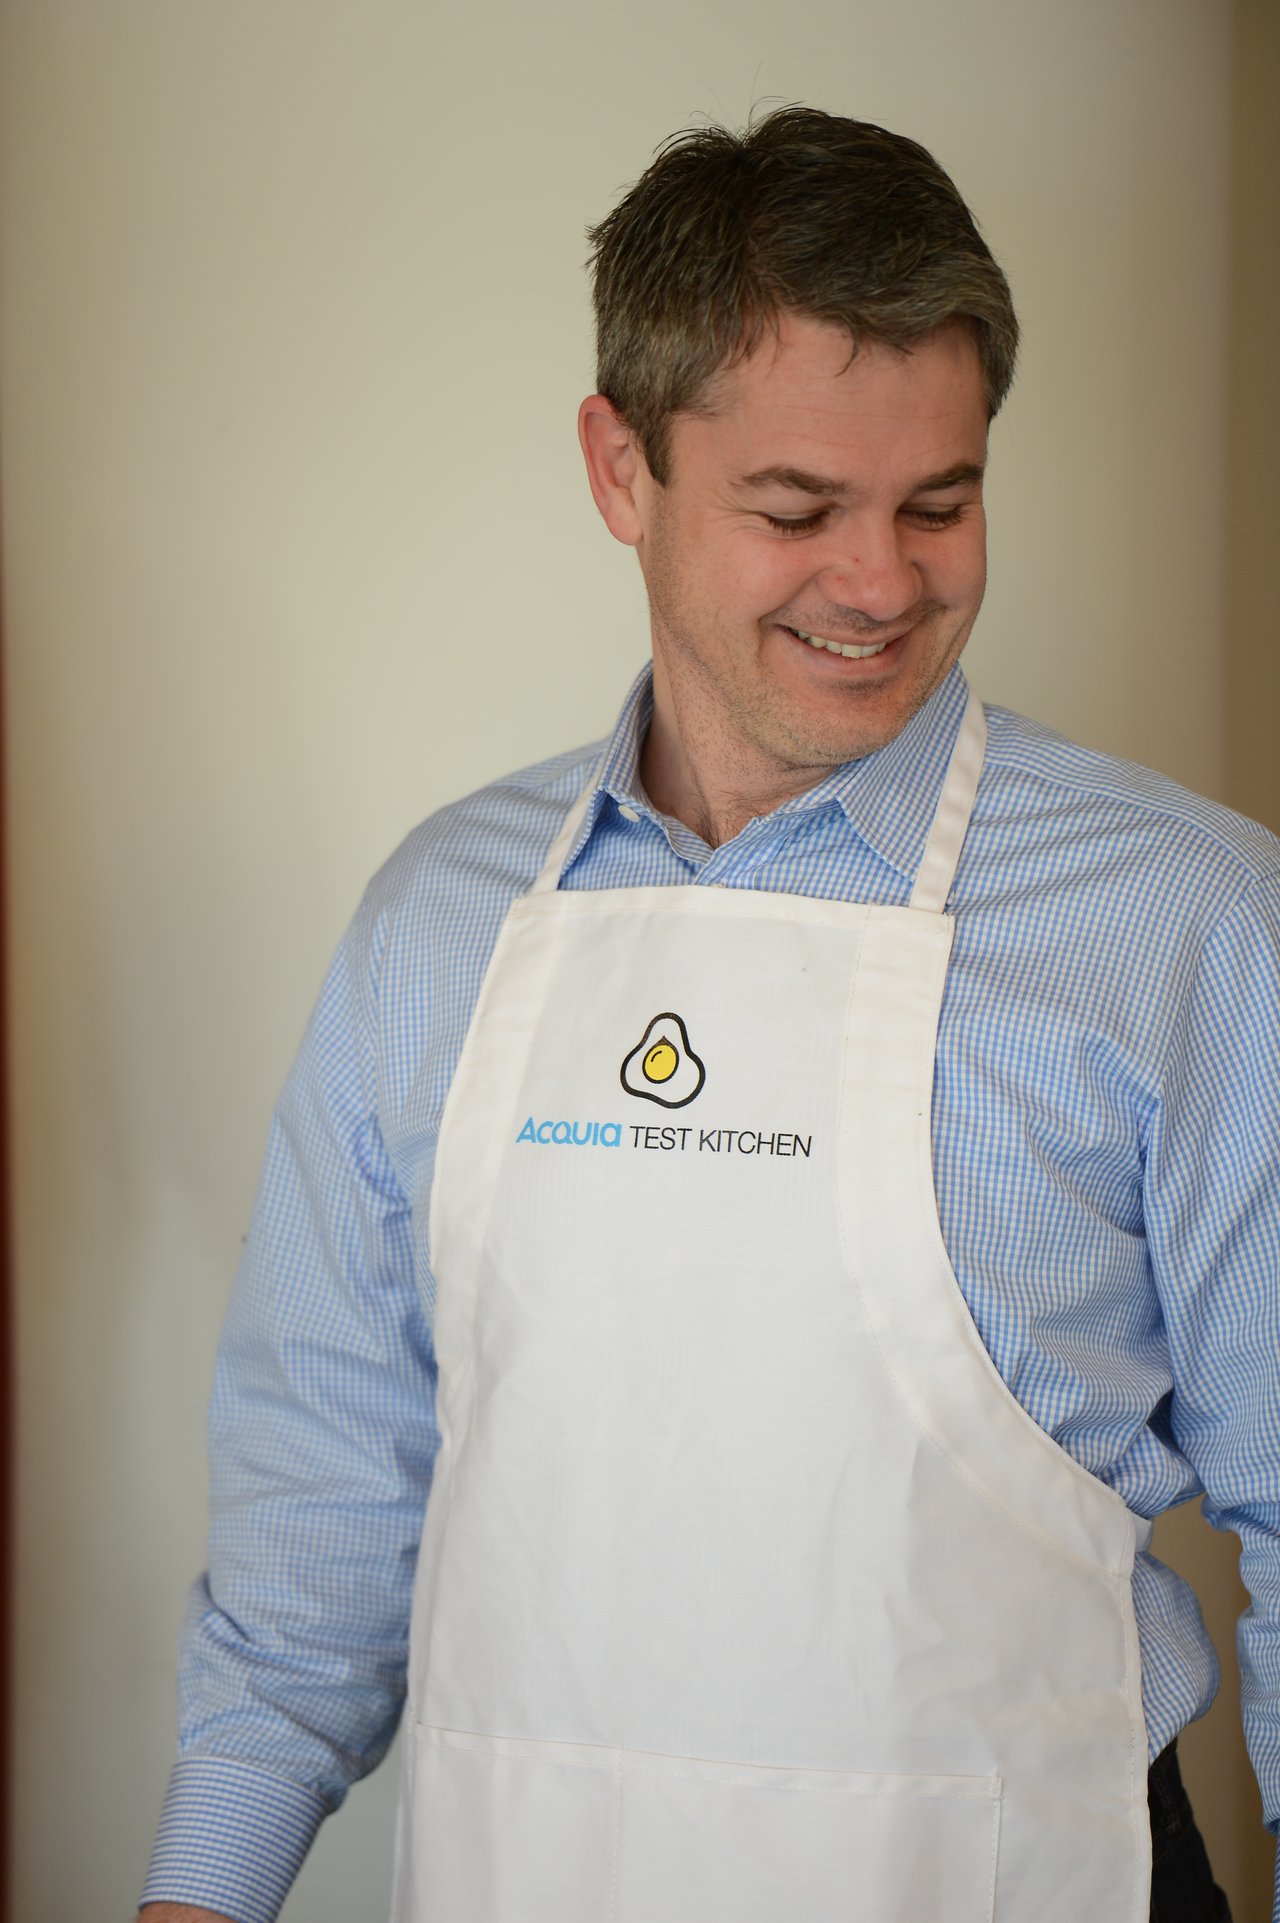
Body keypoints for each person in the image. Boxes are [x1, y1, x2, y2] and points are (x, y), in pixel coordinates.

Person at [140, 109, 1279, 1923]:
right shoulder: (441, 924)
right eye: (795, 509)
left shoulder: (1190, 923)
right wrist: (203, 1892)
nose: (883, 583)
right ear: (620, 468)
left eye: (942, 500)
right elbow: (326, 1504)